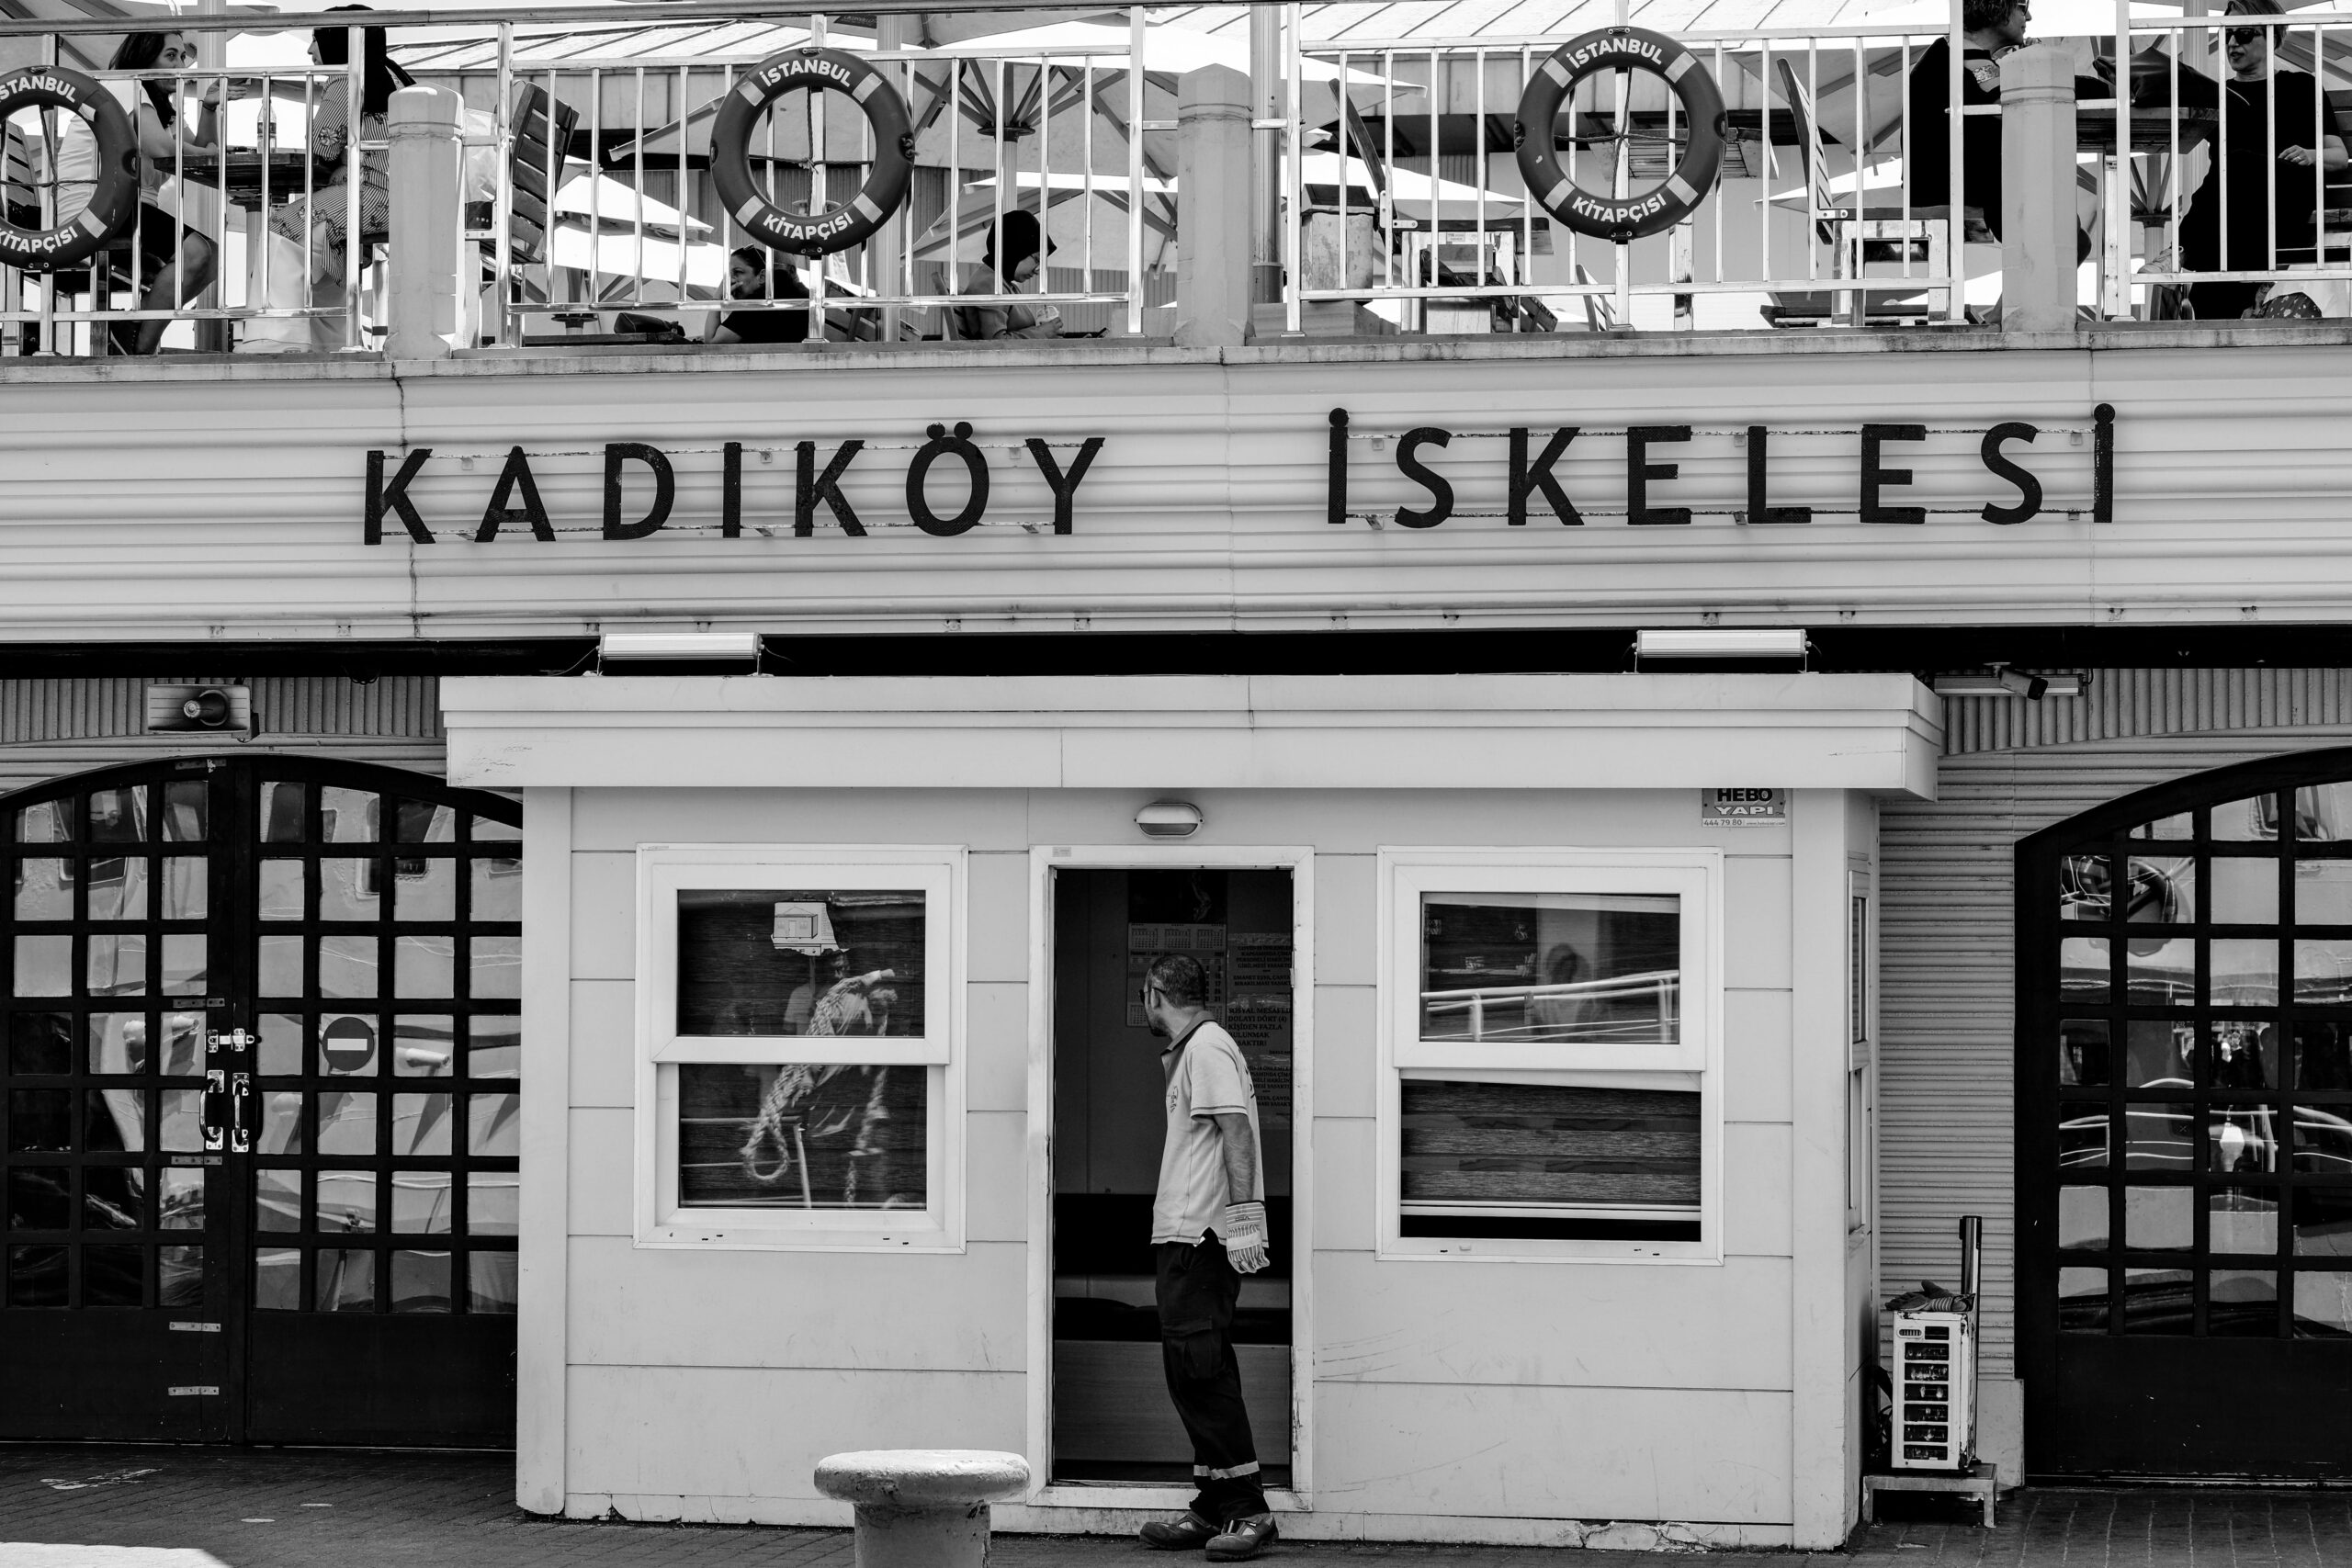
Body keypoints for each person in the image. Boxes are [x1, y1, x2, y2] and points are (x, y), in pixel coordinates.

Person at [1135, 953, 1277, 1563]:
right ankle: (1214, 1504)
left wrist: (1245, 1218)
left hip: (1202, 1241)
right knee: (1191, 1370)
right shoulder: (1196, 1049)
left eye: (1144, 995)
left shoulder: (1209, 1046)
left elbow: (1236, 1130)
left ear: (1156, 992)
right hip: (1186, 1239)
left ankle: (1249, 1508)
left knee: (1202, 1367)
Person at [28, 30, 229, 354]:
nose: (181, 65)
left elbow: (203, 149)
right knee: (196, 253)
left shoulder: (161, 106)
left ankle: (131, 334)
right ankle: (138, 345)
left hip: (125, 208)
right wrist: (211, 152)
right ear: (145, 59)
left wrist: (208, 108)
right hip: (93, 208)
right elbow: (163, 148)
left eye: (182, 57)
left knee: (212, 255)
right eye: (171, 56)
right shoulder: (125, 84)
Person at [2179, 0, 2349, 321]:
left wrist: (2310, 155)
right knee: (2233, 170)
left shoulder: (2300, 87)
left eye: (2243, 33)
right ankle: (2240, 298)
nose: (2232, 43)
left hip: (2284, 196)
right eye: (2227, 33)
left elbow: (2339, 156)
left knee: (2238, 162)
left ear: (2271, 36)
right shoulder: (2218, 96)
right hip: (2233, 218)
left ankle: (2181, 250)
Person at [268, 6, 414, 291]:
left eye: (317, 37)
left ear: (340, 41)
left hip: (378, 195)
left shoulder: (348, 76)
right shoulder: (390, 72)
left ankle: (282, 331)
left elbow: (321, 147)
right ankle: (329, 326)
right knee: (320, 239)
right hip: (407, 195)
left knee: (279, 228)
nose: (310, 49)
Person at [1906, 0, 2030, 241]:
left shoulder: (1956, 52)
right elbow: (2014, 104)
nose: (2029, 16)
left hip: (1950, 187)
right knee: (2061, 228)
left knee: (2063, 228)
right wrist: (2107, 89)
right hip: (1948, 191)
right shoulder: (1964, 55)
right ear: (1995, 8)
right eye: (2022, 7)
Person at [952, 209, 1064, 340]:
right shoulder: (991, 286)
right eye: (1037, 259)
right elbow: (996, 343)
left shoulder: (1000, 283)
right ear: (1016, 250)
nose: (1037, 270)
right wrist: (1041, 333)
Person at [708, 245, 814, 344]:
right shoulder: (804, 294)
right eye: (729, 274)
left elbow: (711, 341)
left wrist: (718, 296)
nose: (731, 280)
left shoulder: (755, 303)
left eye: (738, 272)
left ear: (763, 276)